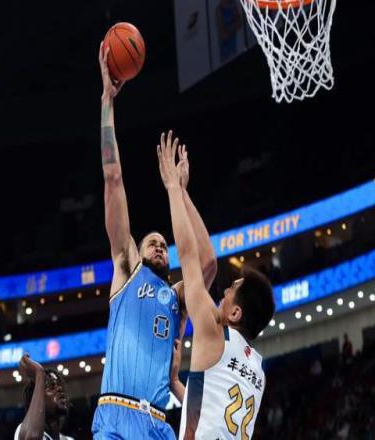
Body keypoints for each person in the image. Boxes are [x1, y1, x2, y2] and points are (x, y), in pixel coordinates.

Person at [92, 43, 217, 439]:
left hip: (158, 423)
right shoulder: (126, 269)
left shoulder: (177, 298)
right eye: (152, 242)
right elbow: (113, 178)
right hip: (115, 413)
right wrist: (107, 102)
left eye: (164, 244)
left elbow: (208, 264)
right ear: (137, 250)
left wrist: (181, 192)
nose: (160, 246)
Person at [158, 137, 275, 439]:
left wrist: (173, 189)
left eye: (229, 292)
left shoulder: (215, 333)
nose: (221, 294)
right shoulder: (257, 371)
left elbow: (191, 256)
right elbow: (211, 409)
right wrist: (184, 193)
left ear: (235, 313)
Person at [15, 354, 73, 440]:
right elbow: (32, 437)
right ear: (35, 400)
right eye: (51, 387)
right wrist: (39, 373)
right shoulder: (24, 430)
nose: (59, 389)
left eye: (59, 385)